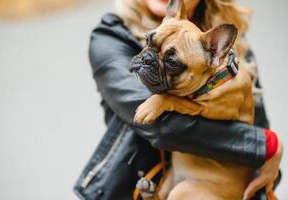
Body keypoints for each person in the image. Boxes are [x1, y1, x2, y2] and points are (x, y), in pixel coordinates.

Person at [74, 0, 282, 199]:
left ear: (215, 53)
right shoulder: (110, 37)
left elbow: (257, 127)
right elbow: (161, 126)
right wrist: (264, 147)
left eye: (172, 63)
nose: (147, 58)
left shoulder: (230, 55)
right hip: (141, 185)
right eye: (150, 42)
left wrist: (267, 161)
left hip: (210, 186)